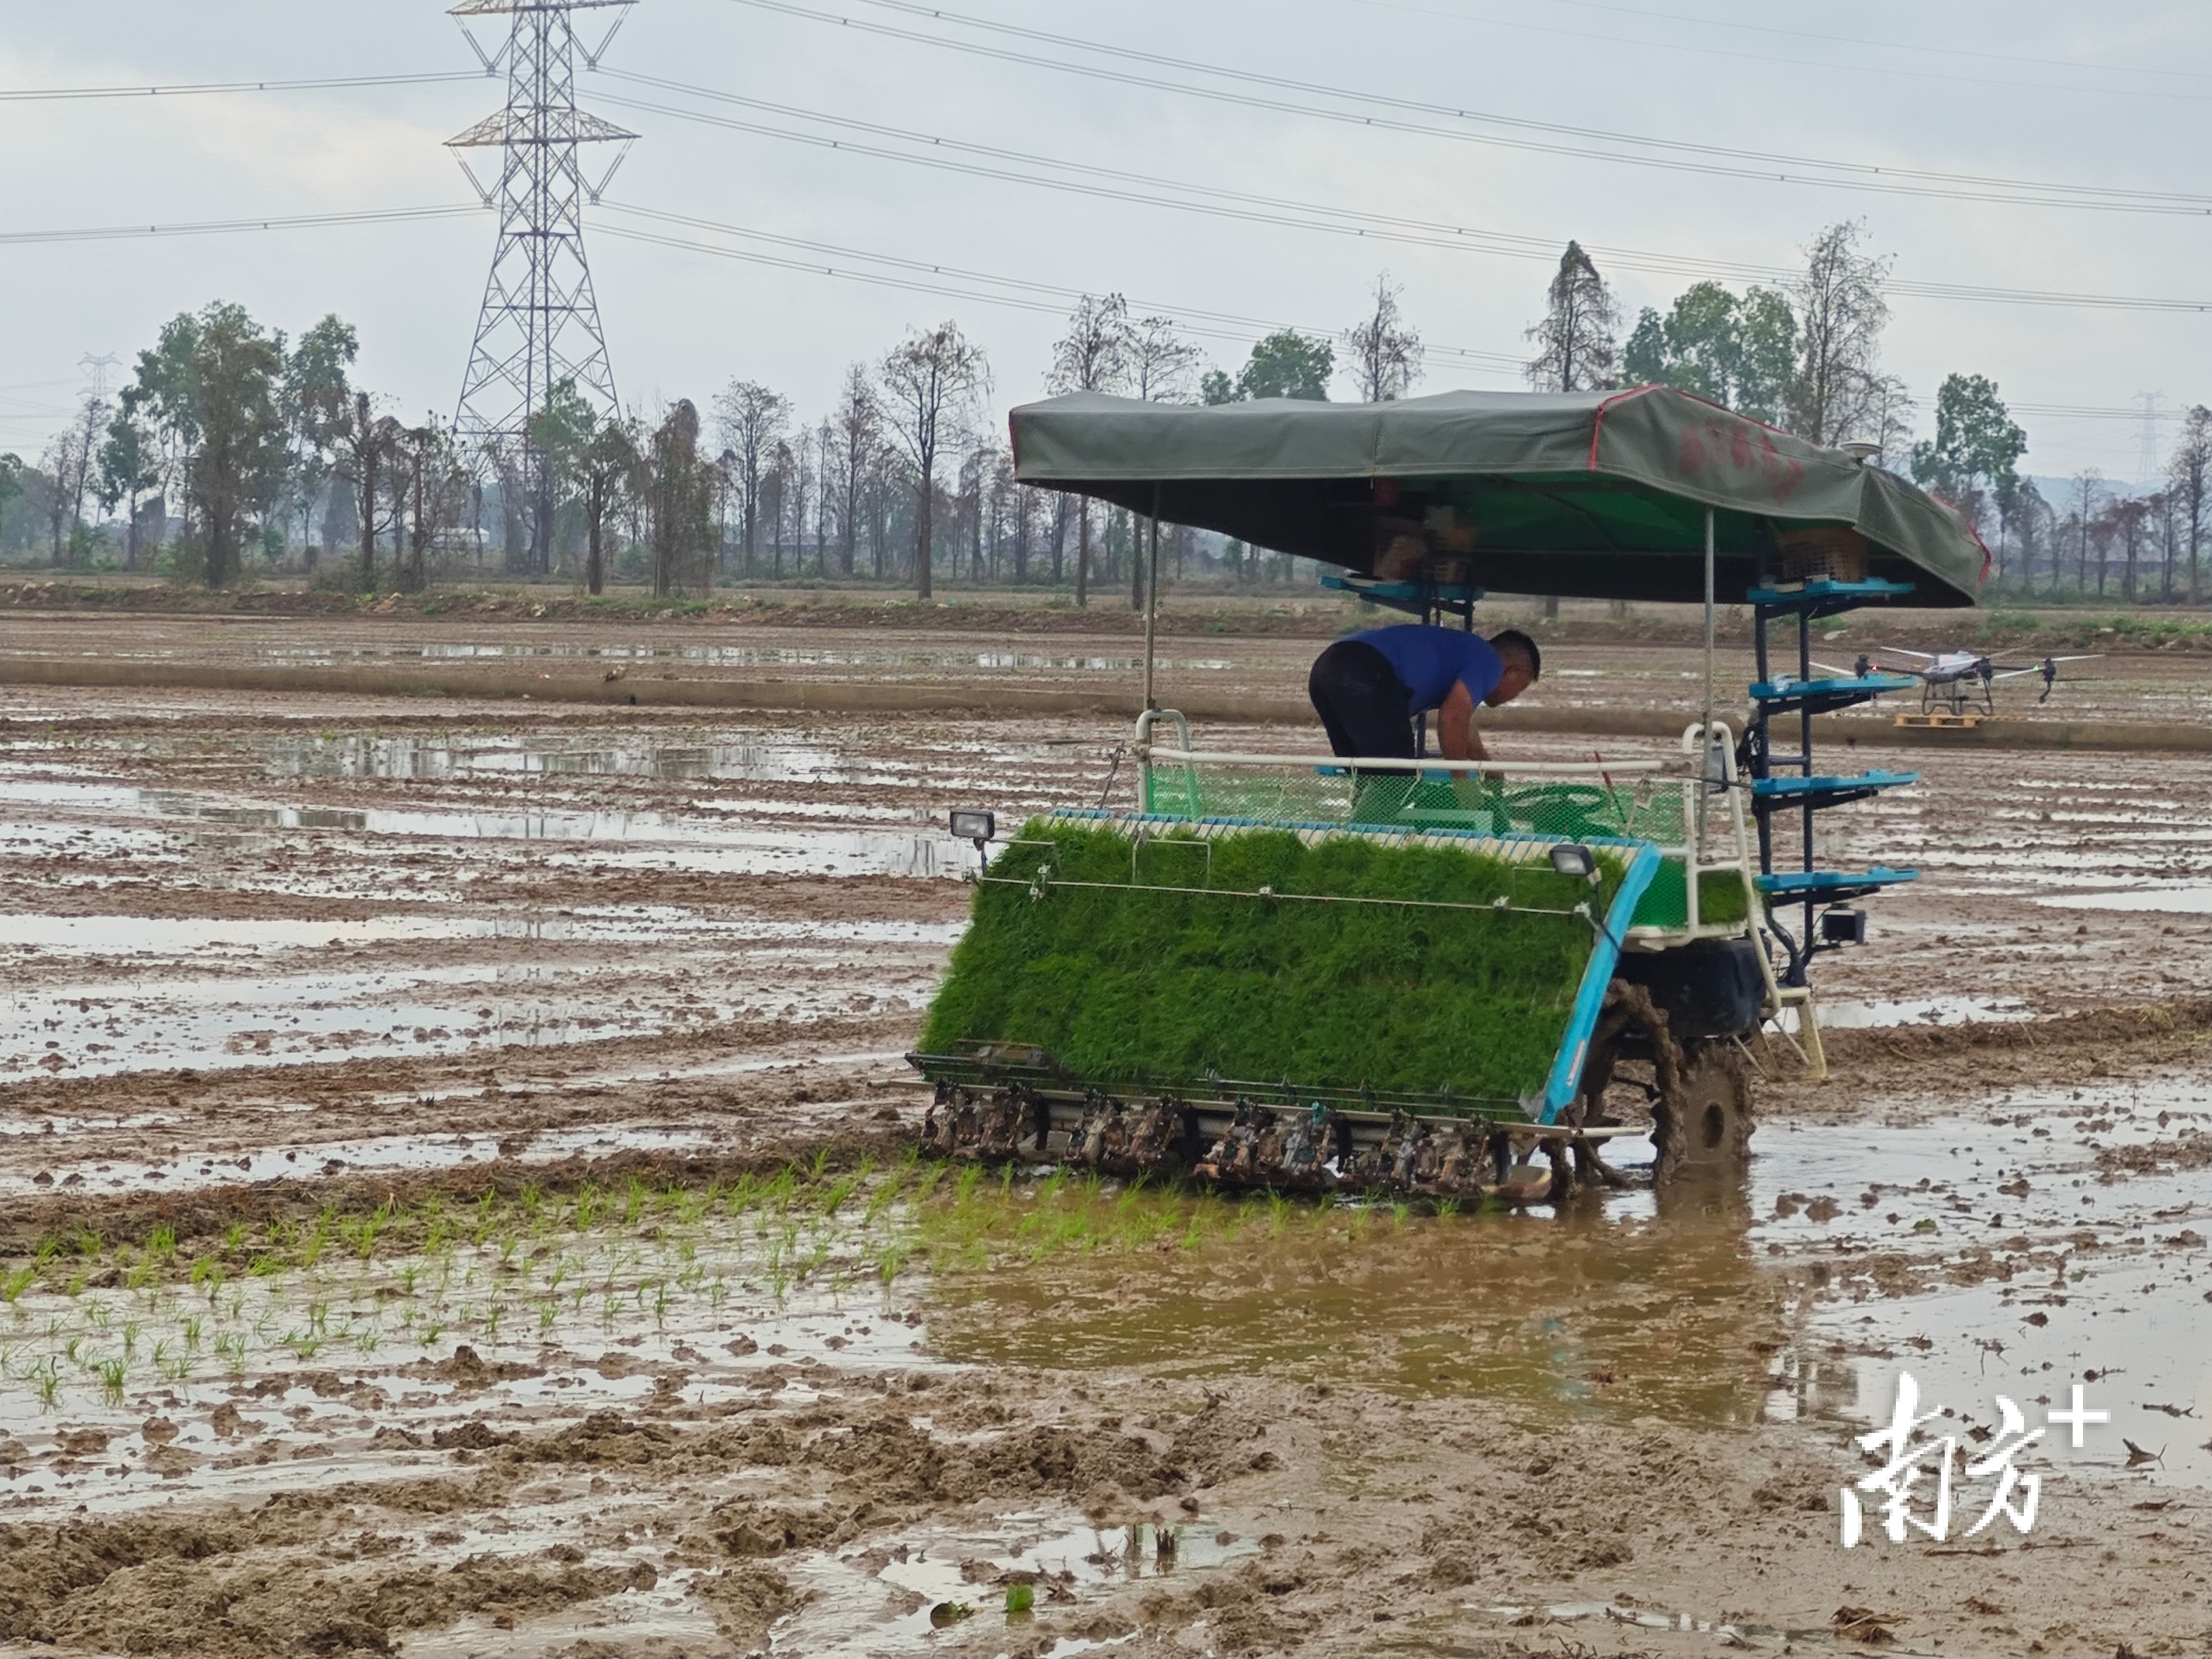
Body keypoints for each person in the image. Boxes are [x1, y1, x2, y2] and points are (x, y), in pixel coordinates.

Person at [1308, 624, 1540, 761]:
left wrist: (1485, 765)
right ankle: (1363, 838)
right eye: (1522, 687)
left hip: (1327, 668)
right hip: (1366, 671)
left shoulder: (1468, 652)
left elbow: (1464, 723)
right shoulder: (1490, 660)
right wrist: (1463, 786)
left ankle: (1360, 834)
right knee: (1396, 779)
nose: (1515, 696)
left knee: (1368, 774)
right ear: (1512, 672)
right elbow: (1453, 718)